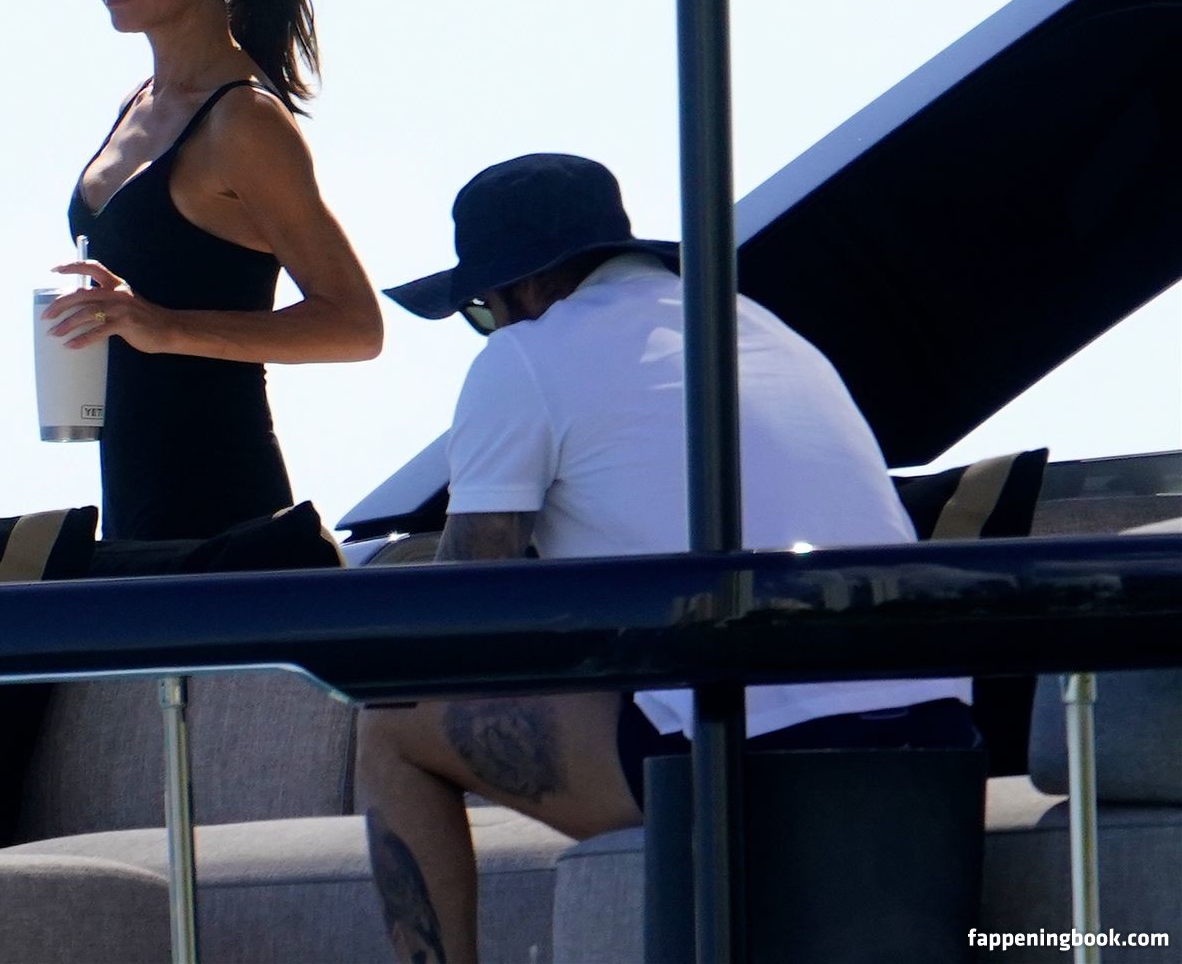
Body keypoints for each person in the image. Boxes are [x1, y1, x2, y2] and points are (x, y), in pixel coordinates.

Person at [357, 154, 977, 964]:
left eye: (481, 310)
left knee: (392, 717)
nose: (493, 329)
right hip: (940, 738)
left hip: (753, 754)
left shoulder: (526, 356)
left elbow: (461, 619)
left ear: (526, 286)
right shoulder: (760, 329)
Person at [43, 0, 384, 545]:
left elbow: (356, 326)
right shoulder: (139, 105)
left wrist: (162, 326)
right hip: (135, 515)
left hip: (224, 520)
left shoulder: (244, 121)